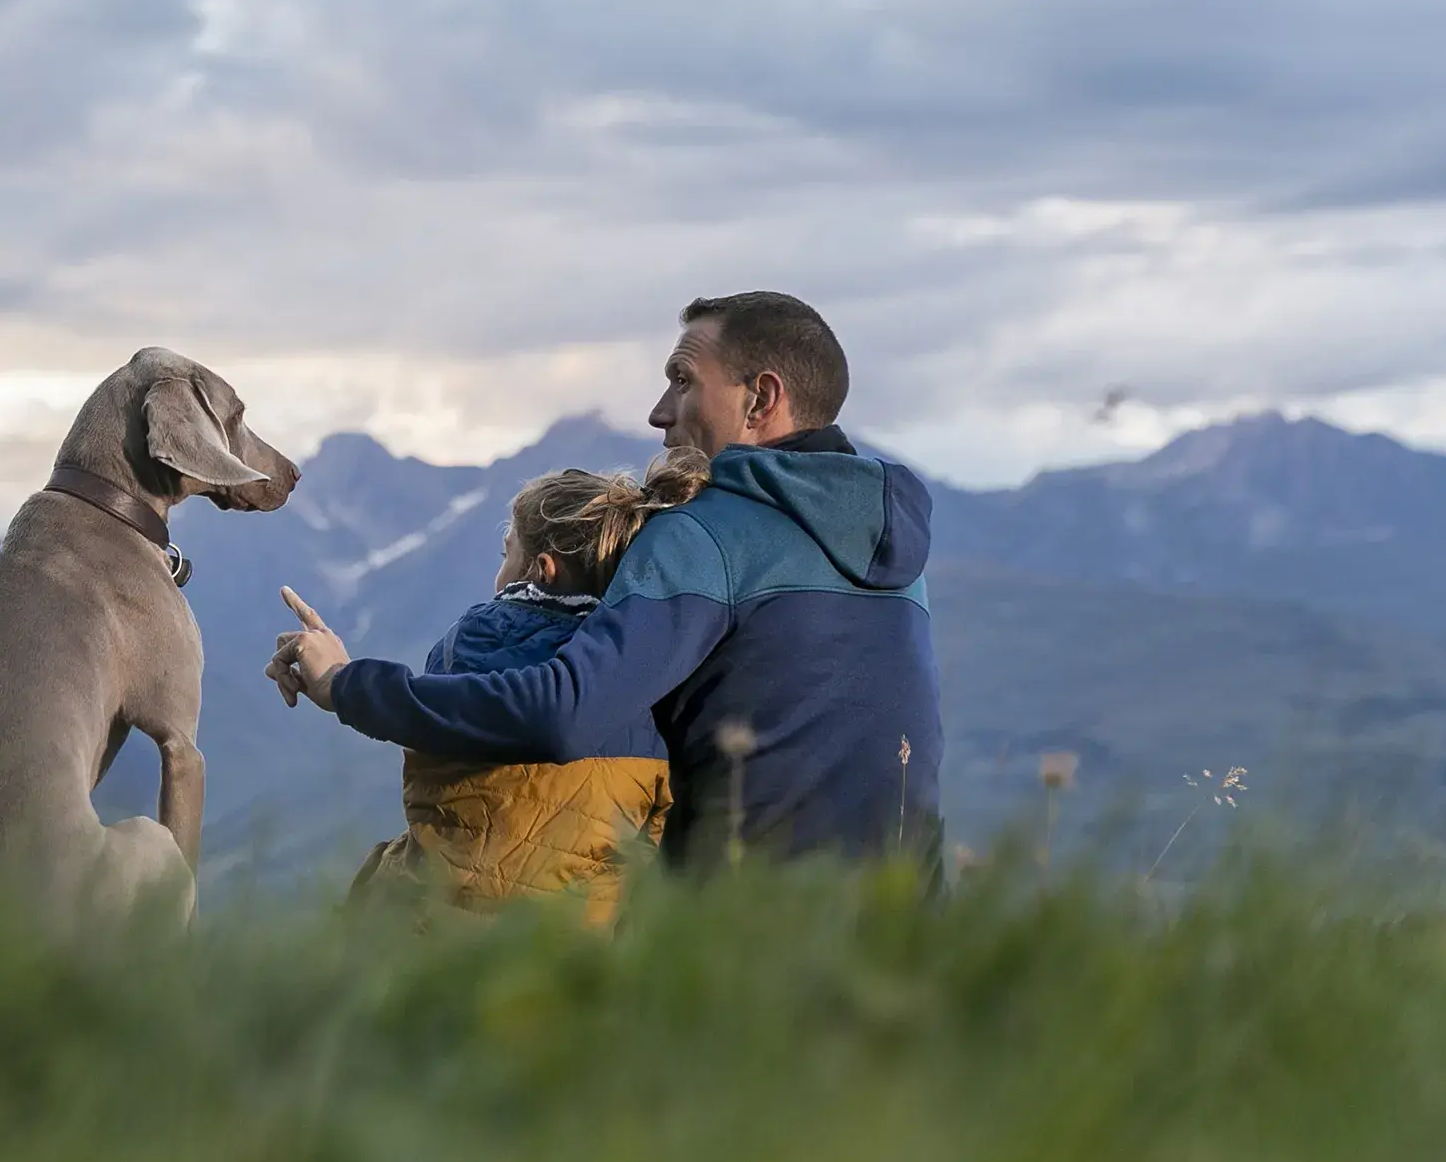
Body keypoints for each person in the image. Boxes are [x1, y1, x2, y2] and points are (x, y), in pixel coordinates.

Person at [270, 291, 942, 866]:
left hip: (747, 948)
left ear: (761, 398)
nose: (658, 412)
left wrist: (346, 685)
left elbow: (560, 713)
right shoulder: (890, 548)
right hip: (905, 938)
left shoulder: (707, 534)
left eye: (682, 380)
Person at [344, 454, 705, 924]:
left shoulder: (474, 635)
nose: (499, 571)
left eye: (505, 552)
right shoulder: (641, 666)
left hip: (440, 921)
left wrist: (343, 683)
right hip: (579, 940)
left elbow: (432, 750)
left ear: (541, 569)